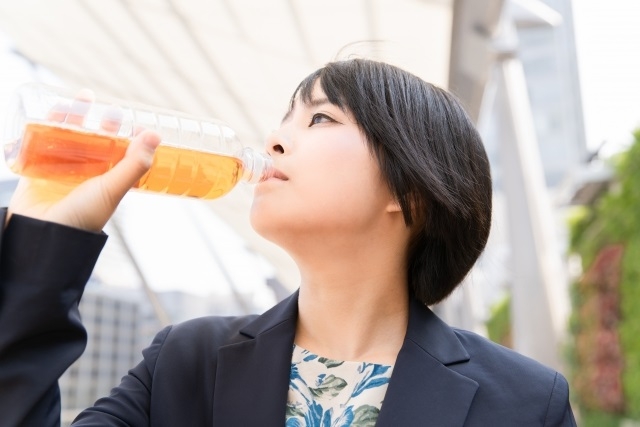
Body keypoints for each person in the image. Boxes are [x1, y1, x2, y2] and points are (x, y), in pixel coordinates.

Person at [0, 58, 576, 426]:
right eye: (284, 119)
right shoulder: (183, 363)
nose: (274, 139)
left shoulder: (525, 404)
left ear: (411, 192)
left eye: (320, 119)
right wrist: (45, 236)